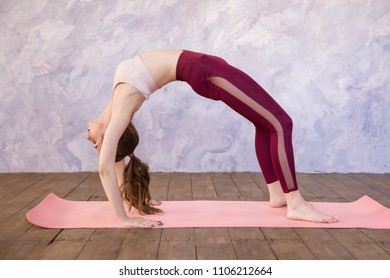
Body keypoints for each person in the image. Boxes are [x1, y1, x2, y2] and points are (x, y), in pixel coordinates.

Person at [87, 49, 338, 227]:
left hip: (205, 65)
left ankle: (278, 195)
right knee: (281, 123)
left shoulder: (112, 105)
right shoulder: (120, 110)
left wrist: (129, 197)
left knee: (264, 123)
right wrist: (123, 218)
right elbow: (107, 167)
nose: (90, 138)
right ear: (108, 137)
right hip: (204, 71)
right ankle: (296, 203)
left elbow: (117, 160)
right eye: (97, 144)